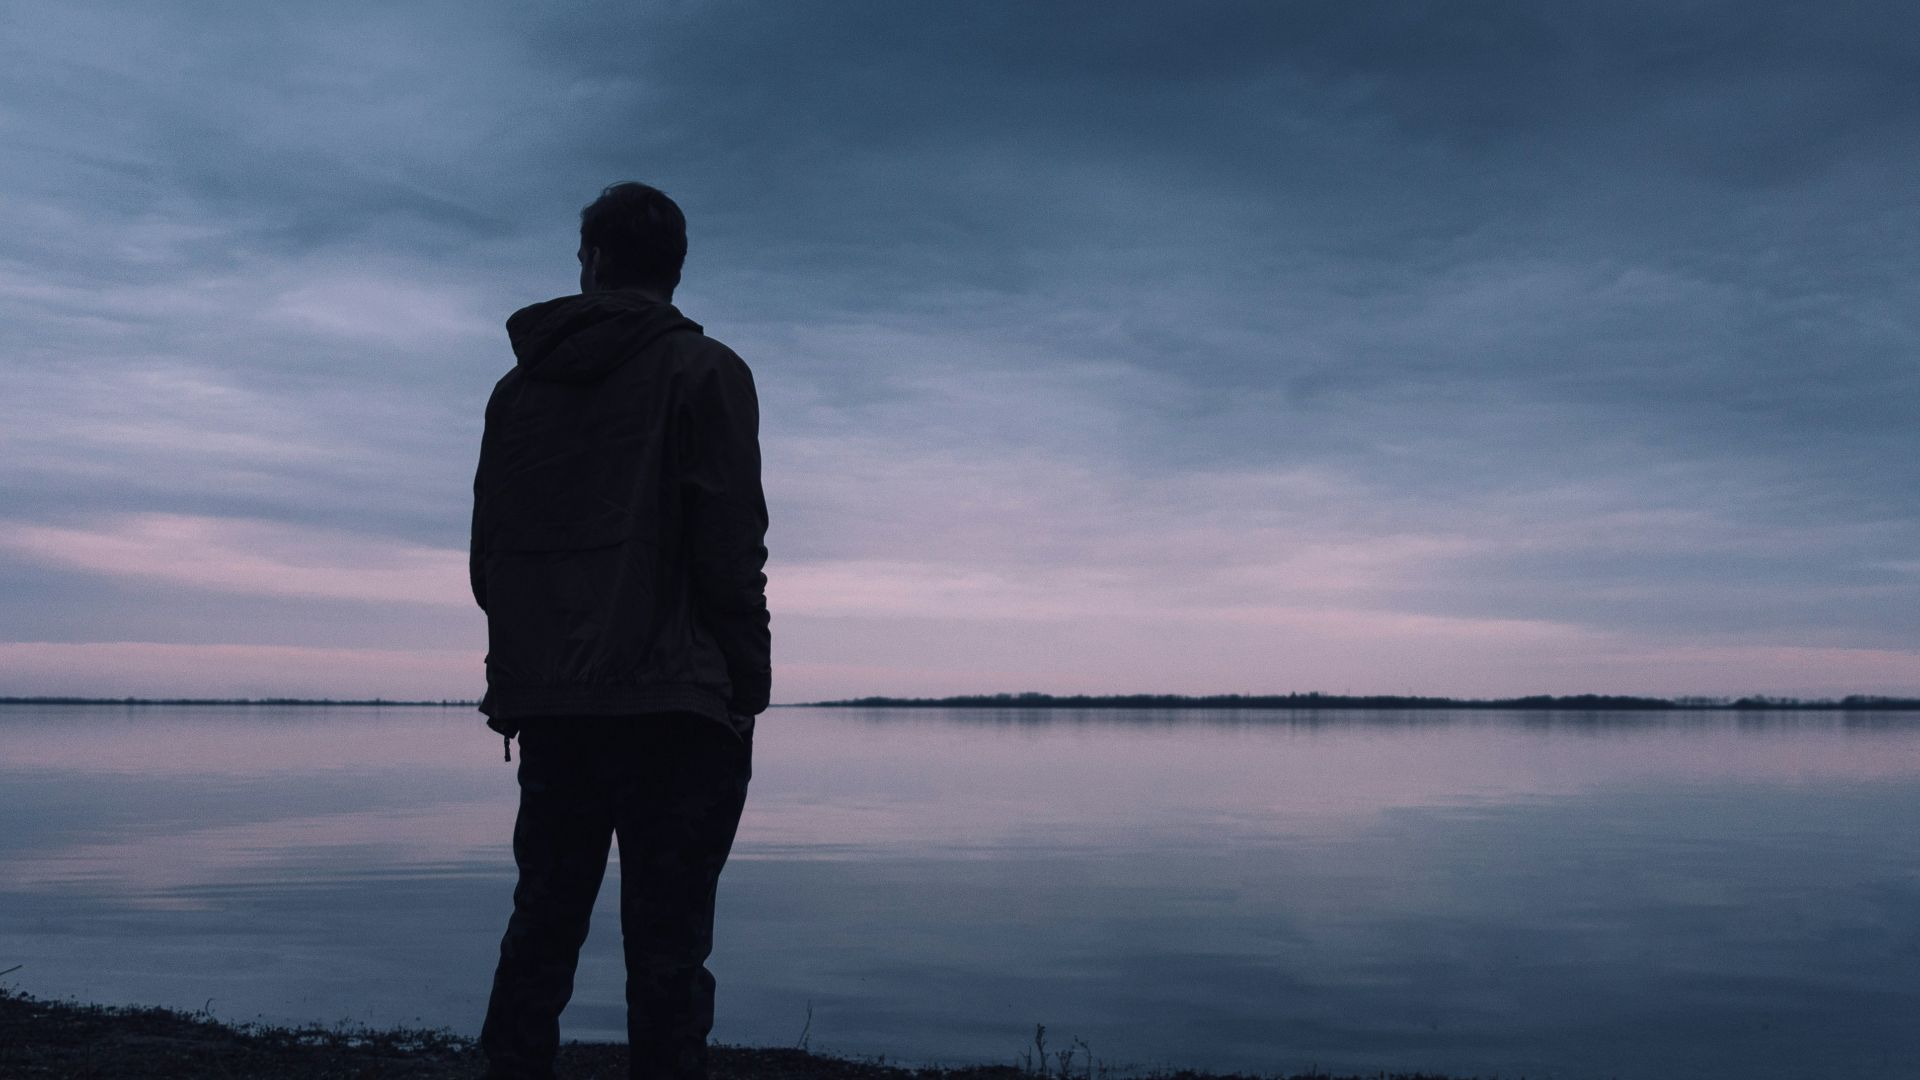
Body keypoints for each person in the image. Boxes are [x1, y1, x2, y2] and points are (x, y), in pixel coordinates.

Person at [469, 180, 770, 1080]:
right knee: (669, 952)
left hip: (559, 703)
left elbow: (492, 554)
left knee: (542, 930)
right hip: (679, 705)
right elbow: (730, 543)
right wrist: (747, 681)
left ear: (593, 262)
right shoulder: (709, 374)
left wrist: (527, 673)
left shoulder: (517, 391)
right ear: (676, 269)